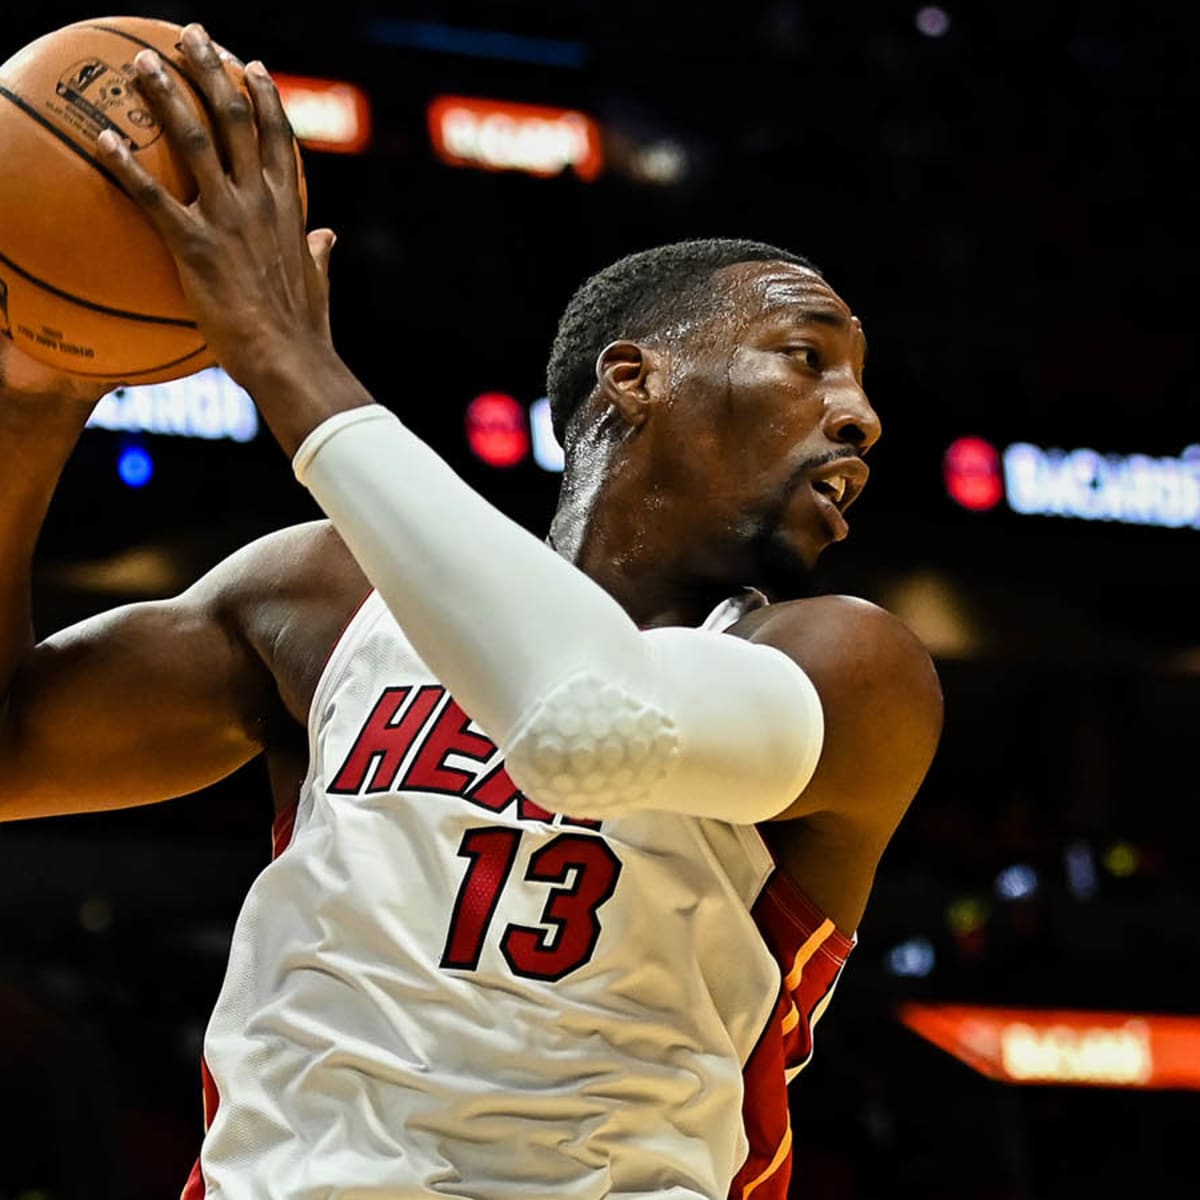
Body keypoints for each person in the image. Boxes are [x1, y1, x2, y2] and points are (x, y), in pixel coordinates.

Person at [0, 25, 942, 1200]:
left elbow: (585, 724)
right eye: (809, 358)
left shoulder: (848, 668)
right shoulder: (321, 594)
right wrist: (35, 398)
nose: (861, 417)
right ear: (633, 377)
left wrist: (293, 359)